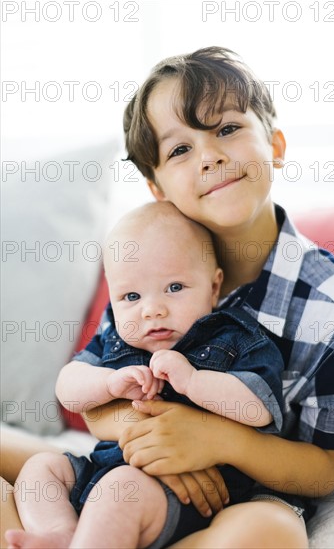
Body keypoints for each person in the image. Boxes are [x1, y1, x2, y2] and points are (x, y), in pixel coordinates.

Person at [2, 45, 334, 549]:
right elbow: (97, 400)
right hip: (128, 472)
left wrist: (214, 440)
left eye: (227, 129)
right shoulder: (148, 266)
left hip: (242, 493)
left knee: (270, 535)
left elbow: (323, 472)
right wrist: (155, 444)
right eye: (179, 150)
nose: (210, 155)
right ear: (158, 189)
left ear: (276, 145)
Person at [5, 201, 285, 549]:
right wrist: (107, 383)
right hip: (103, 468)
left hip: (180, 494)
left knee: (118, 490)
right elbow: (68, 388)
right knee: (40, 469)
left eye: (174, 288)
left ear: (214, 288)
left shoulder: (234, 339)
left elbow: (260, 406)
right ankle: (60, 533)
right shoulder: (116, 337)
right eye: (131, 296)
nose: (152, 310)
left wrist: (193, 382)